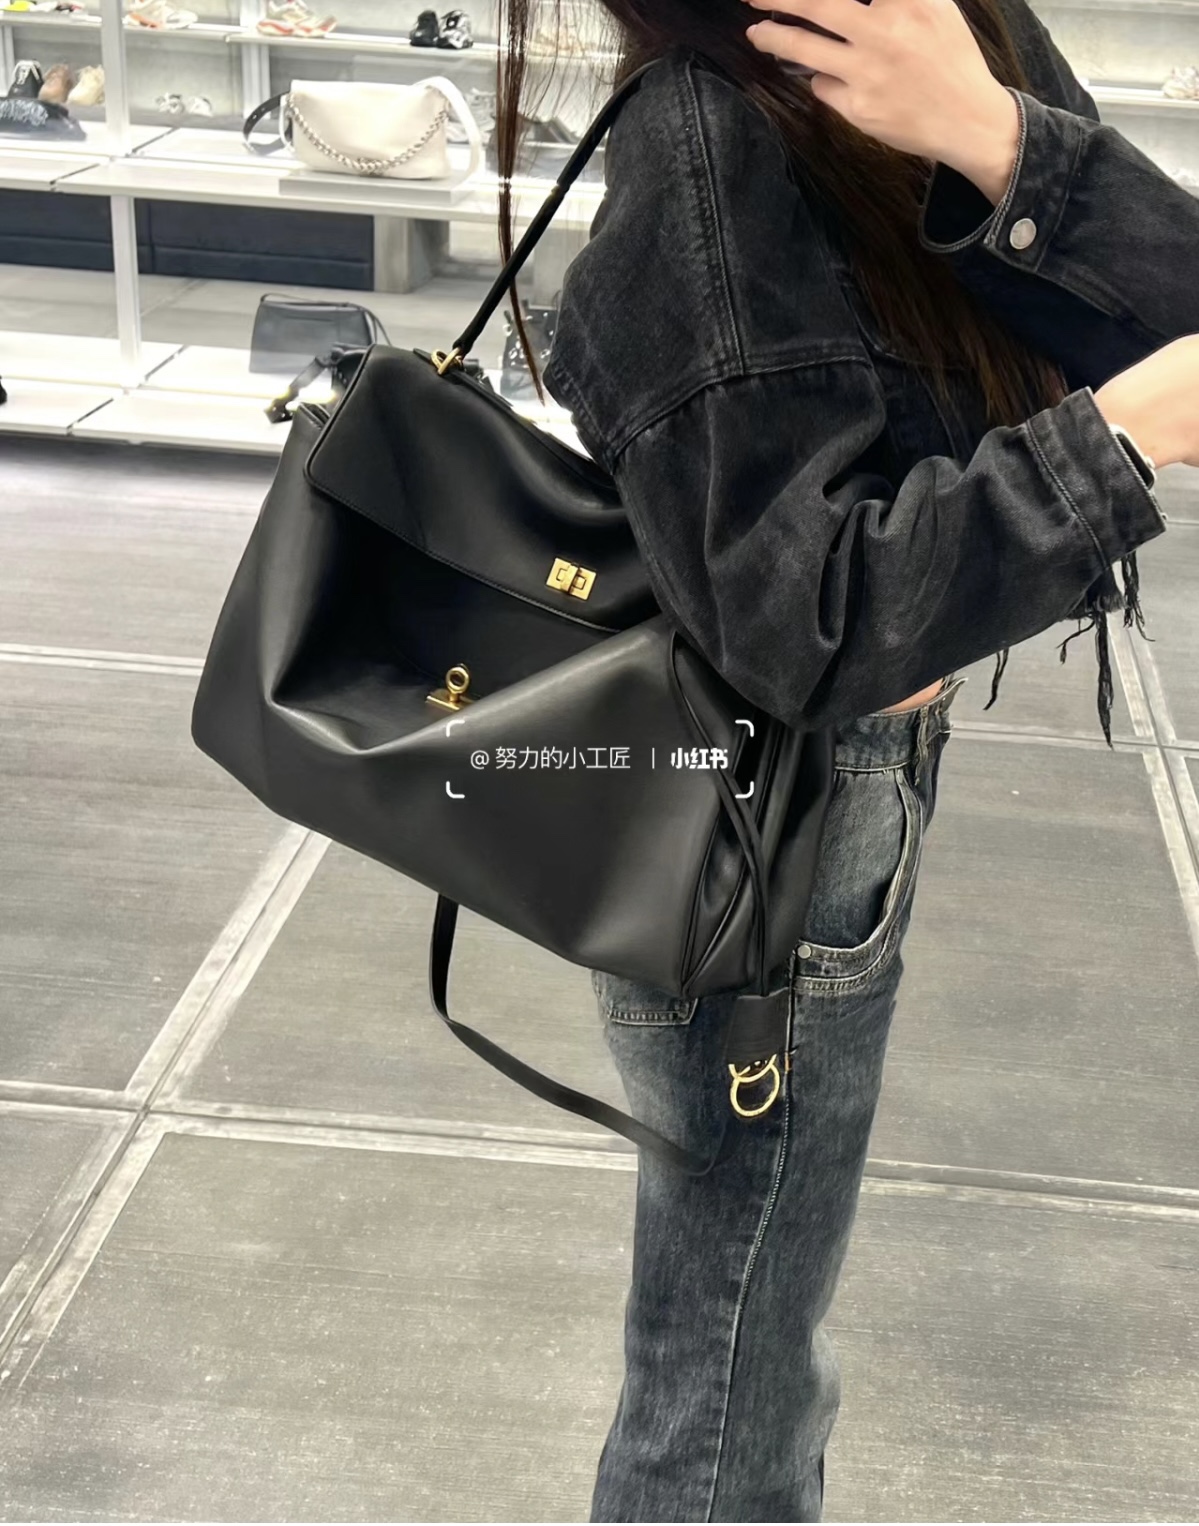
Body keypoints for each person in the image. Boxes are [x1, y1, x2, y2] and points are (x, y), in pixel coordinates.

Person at [490, 0, 1199, 1518]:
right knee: (729, 1366)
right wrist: (1122, 431)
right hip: (761, 816)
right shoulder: (708, 131)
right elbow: (802, 627)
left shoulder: (951, 33)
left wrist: (990, 136)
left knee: (748, 1338)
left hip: (831, 793)